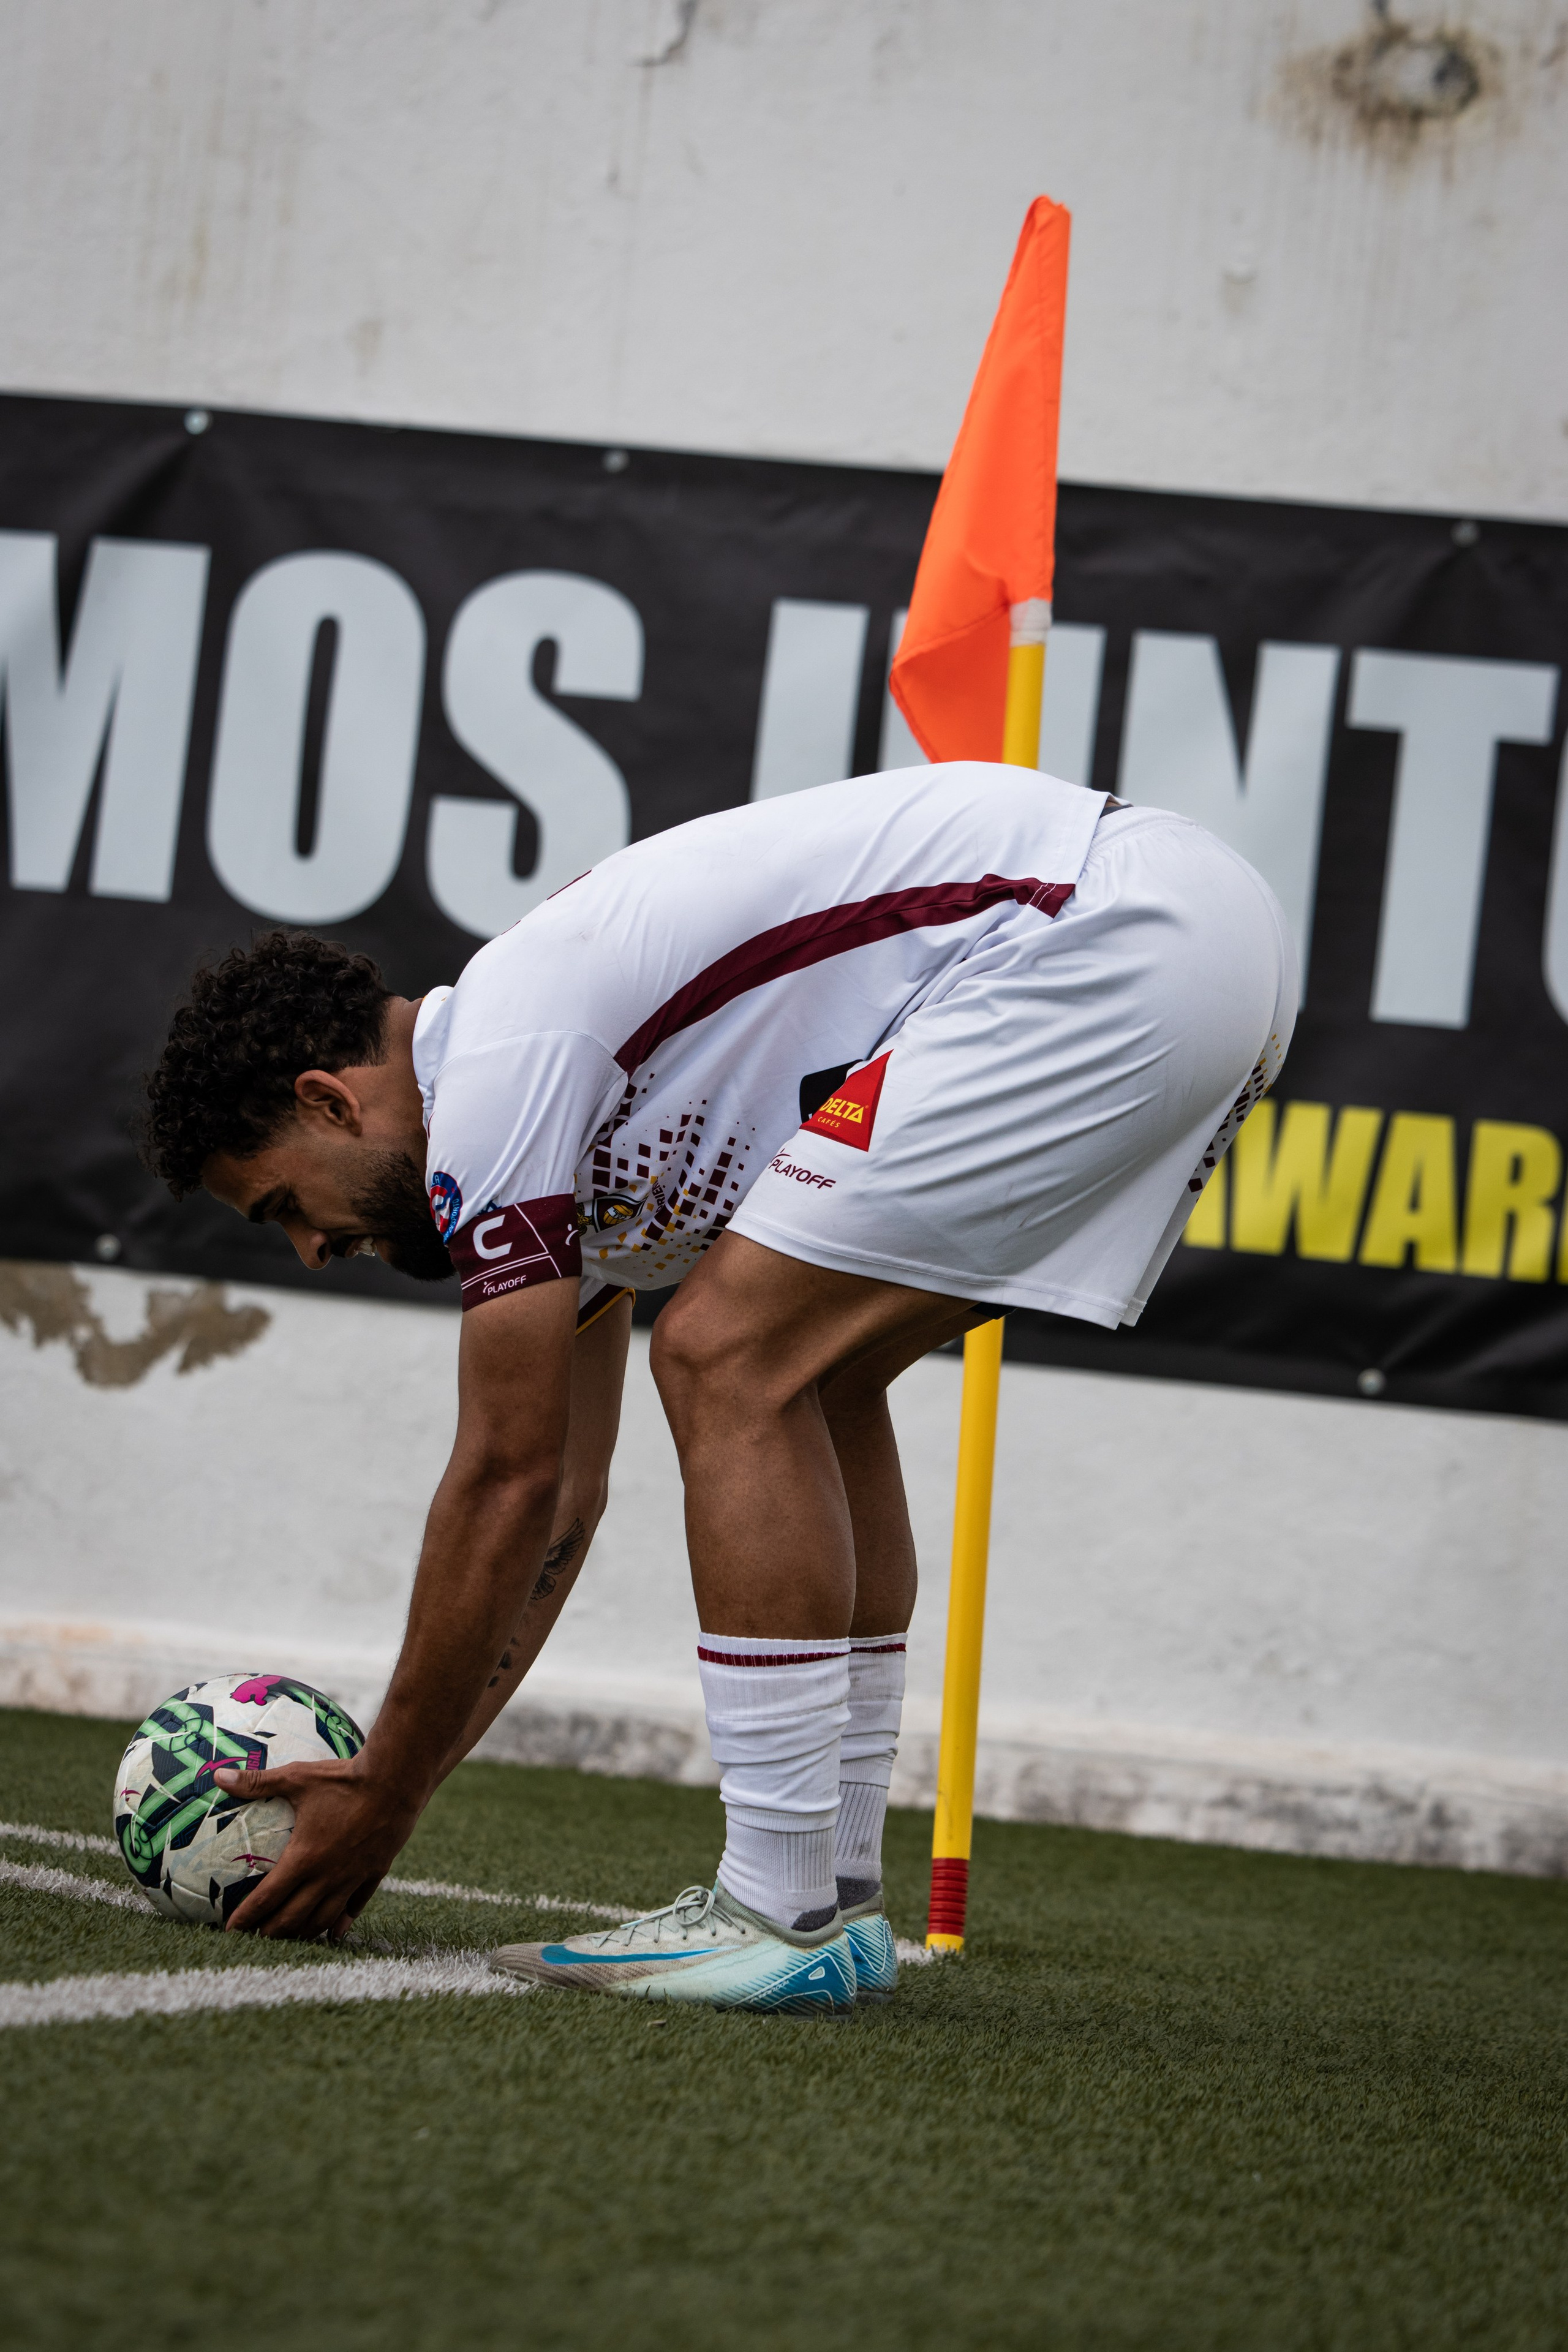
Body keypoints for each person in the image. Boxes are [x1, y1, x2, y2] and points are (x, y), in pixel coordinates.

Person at [143, 761, 1295, 2013]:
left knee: (722, 1355)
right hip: (1187, 941)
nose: (311, 1249)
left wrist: (384, 1788)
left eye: (284, 1205)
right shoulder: (539, 1115)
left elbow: (504, 1474)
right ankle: (833, 1900)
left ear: (329, 1101)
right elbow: (562, 1499)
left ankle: (774, 1909)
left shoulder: (498, 1069)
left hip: (1105, 933)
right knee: (816, 1376)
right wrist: (399, 1785)